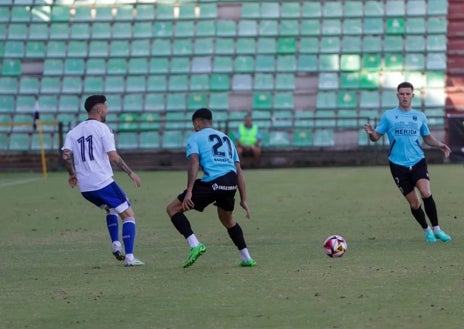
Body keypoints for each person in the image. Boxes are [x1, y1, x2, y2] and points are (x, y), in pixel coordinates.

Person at [166, 108, 256, 268]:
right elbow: (239, 170)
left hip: (214, 181)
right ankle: (246, 258)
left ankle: (195, 245)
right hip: (231, 182)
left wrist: (189, 191)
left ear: (197, 122)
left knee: (173, 209)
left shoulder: (195, 137)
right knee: (227, 219)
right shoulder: (227, 138)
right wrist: (244, 199)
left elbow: (194, 161)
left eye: (194, 125)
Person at [363, 82, 452, 243]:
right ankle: (427, 230)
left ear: (412, 96)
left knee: (426, 193)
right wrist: (370, 134)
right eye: (402, 94)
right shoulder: (389, 116)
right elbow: (376, 137)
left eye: (407, 94)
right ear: (397, 96)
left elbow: (426, 137)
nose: (405, 96)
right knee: (415, 203)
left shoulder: (419, 116)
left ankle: (437, 229)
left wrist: (439, 144)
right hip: (397, 165)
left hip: (417, 160)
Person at [61, 95, 144, 266]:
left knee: (110, 209)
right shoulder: (103, 129)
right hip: (102, 181)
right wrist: (130, 173)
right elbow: (113, 156)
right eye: (106, 107)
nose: (107, 110)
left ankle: (115, 245)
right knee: (129, 215)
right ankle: (129, 258)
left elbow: (66, 155)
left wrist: (72, 173)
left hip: (85, 187)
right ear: (99, 110)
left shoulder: (73, 131)